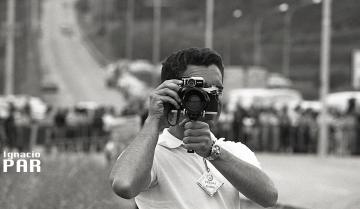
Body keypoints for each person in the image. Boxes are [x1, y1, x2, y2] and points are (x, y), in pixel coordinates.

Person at [110, 48, 278, 209]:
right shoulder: (153, 153)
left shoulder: (233, 150)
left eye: (217, 90)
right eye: (200, 90)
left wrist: (213, 152)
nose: (211, 97)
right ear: (173, 91)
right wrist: (153, 120)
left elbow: (269, 197)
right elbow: (124, 185)